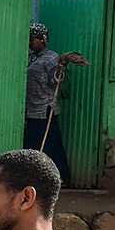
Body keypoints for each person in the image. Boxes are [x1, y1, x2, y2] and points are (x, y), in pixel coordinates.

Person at [23, 23, 84, 184]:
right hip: (30, 107)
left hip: (44, 108)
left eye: (33, 38)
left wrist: (59, 68)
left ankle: (61, 176)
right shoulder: (30, 57)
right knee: (32, 143)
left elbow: (55, 81)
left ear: (43, 39)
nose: (30, 42)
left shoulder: (51, 58)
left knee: (50, 144)